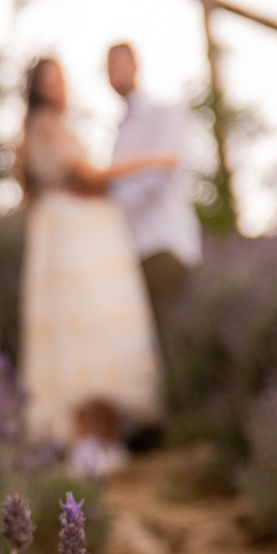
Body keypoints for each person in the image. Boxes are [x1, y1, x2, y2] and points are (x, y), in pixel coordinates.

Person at [17, 58, 171, 474]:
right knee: (82, 331)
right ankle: (89, 440)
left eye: (61, 78)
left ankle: (107, 440)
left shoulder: (56, 128)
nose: (60, 86)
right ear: (37, 88)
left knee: (103, 331)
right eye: (51, 80)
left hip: (90, 236)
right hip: (75, 239)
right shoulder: (45, 126)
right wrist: (153, 160)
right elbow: (90, 175)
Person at [106, 43, 202, 347]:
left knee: (172, 339)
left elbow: (162, 175)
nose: (114, 72)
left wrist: (115, 198)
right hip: (132, 252)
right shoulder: (119, 131)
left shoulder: (165, 115)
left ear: (136, 65)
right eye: (109, 67)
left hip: (163, 244)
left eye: (119, 63)